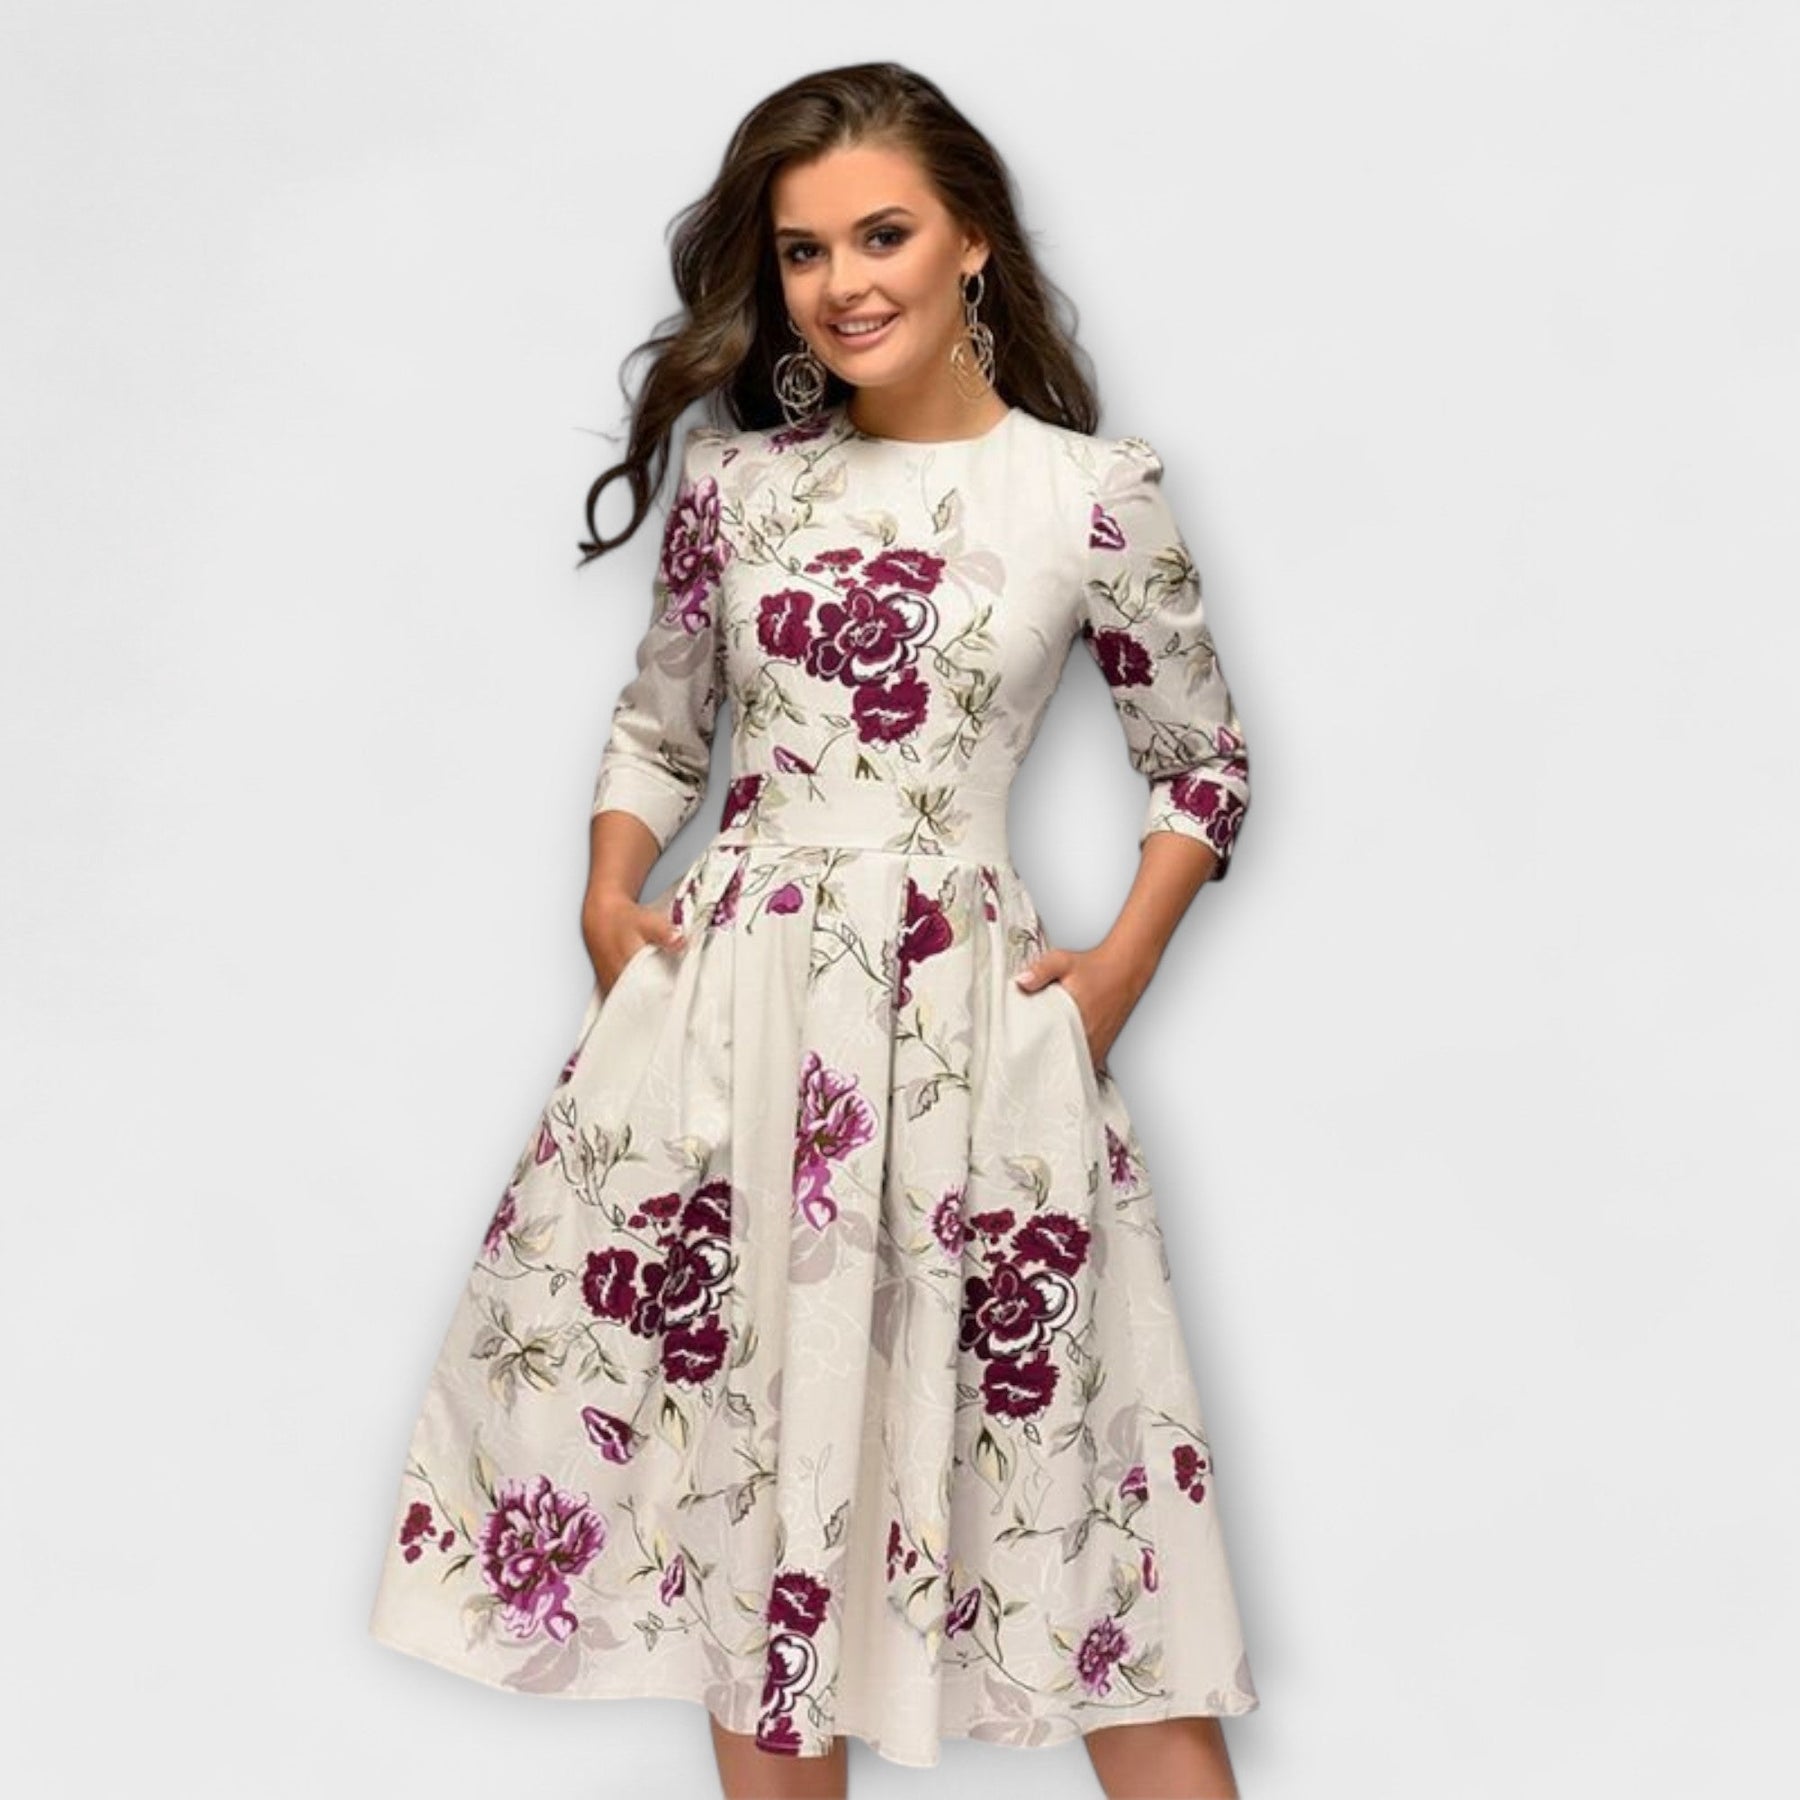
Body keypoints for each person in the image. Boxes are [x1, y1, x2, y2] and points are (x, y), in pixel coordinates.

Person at [368, 61, 1259, 1800]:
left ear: (973, 241)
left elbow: (1204, 763)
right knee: (748, 1519)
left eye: (882, 235)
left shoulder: (1088, 490)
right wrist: (608, 898)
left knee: (1091, 1550)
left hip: (972, 1042)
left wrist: (1117, 973)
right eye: (802, 251)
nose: (843, 283)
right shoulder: (737, 487)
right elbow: (659, 729)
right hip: (736, 1034)